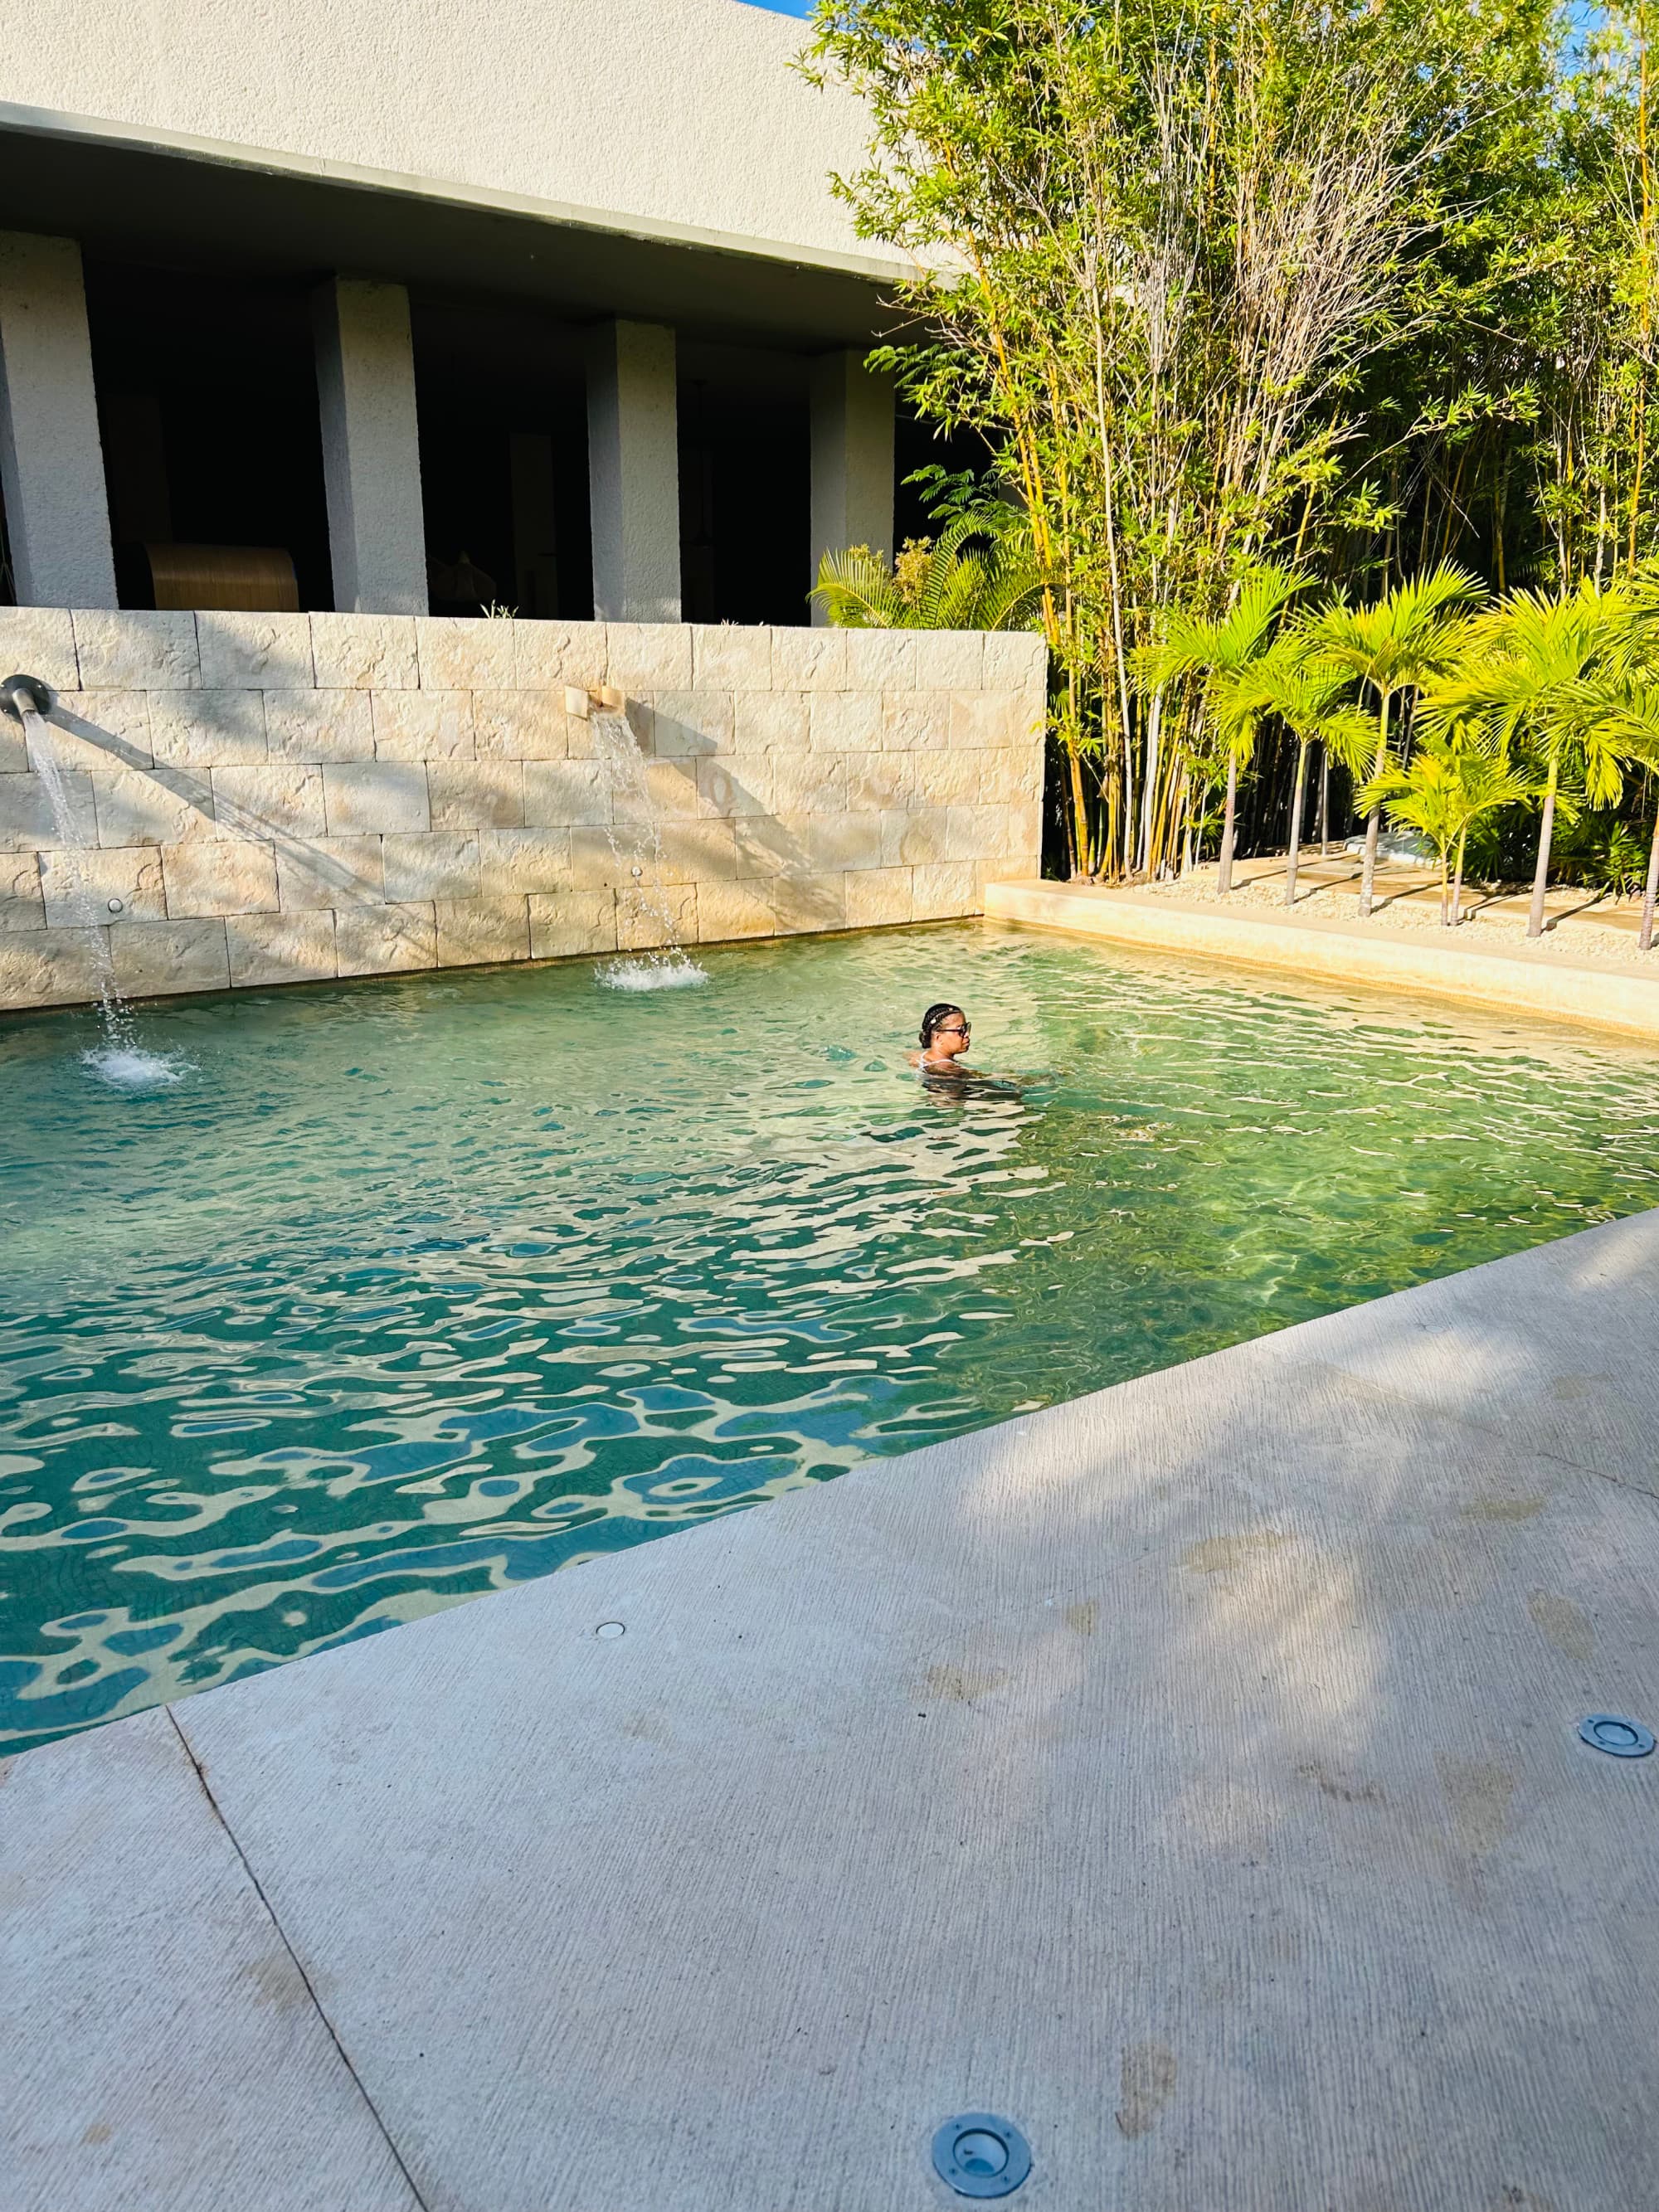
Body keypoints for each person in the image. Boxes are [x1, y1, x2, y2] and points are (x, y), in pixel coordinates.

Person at [910, 1002, 975, 1076]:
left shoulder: (917, 1056)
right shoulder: (951, 1070)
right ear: (939, 1038)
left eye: (966, 1028)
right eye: (961, 1030)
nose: (967, 1034)